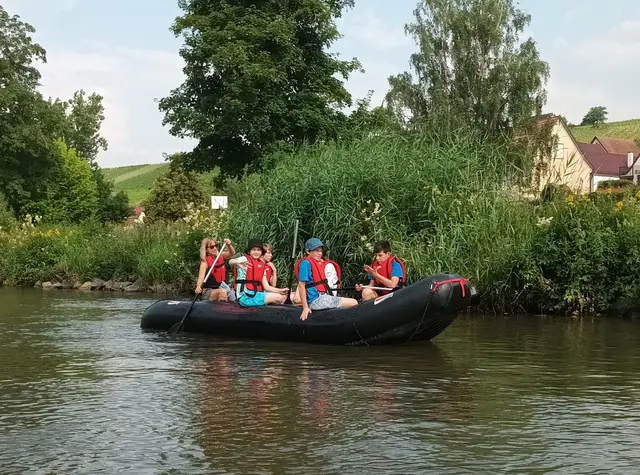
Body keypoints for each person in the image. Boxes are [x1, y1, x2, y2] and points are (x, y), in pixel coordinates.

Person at [296, 238, 357, 321]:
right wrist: (305, 308)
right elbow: (301, 285)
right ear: (308, 251)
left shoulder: (317, 262)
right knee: (353, 302)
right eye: (316, 251)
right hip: (316, 300)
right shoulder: (305, 264)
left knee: (350, 302)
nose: (319, 253)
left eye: (320, 251)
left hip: (323, 296)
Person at [229, 238, 289, 307]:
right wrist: (238, 262)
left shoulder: (262, 265)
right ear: (249, 251)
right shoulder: (244, 259)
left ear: (261, 252)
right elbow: (230, 261)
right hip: (245, 296)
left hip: (256, 294)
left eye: (258, 250)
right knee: (278, 297)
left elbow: (267, 287)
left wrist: (280, 290)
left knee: (282, 296)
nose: (256, 252)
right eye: (254, 250)